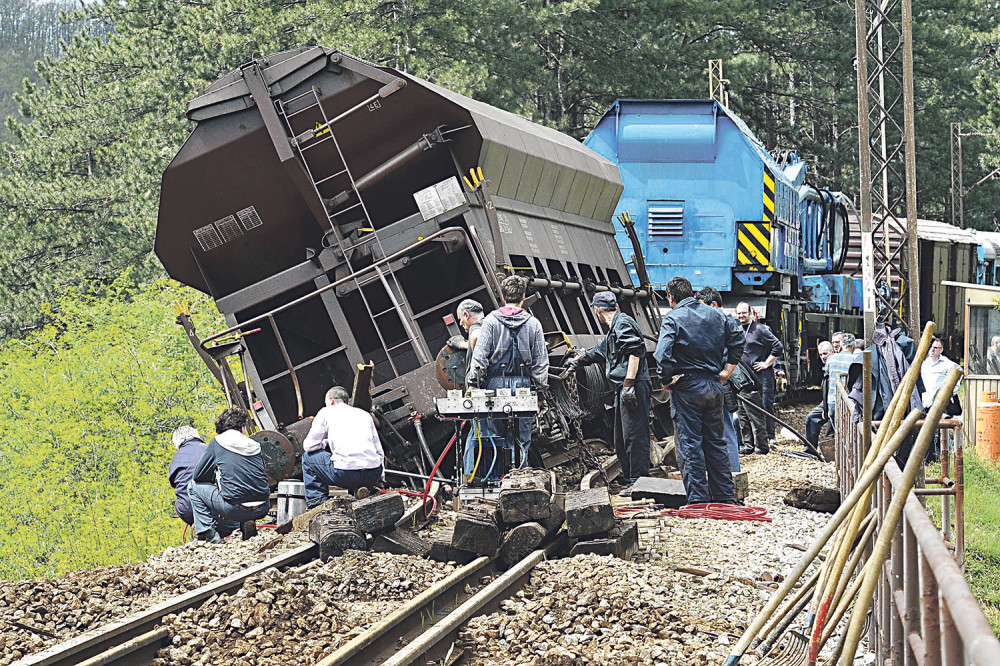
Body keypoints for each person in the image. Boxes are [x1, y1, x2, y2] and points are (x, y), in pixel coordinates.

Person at [654, 276, 744, 504]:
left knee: (690, 443)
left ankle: (698, 501)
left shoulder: (673, 318)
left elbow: (662, 354)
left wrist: (666, 381)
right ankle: (725, 497)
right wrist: (727, 371)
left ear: (671, 297)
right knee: (716, 441)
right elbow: (738, 339)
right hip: (714, 385)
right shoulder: (717, 315)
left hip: (687, 387)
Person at [564, 292, 651, 494]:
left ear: (598, 310)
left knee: (634, 436)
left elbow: (635, 351)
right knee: (621, 437)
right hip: (624, 387)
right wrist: (578, 359)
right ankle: (632, 480)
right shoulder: (616, 327)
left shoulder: (623, 324)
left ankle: (639, 483)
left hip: (632, 386)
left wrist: (629, 382)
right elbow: (602, 350)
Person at [467, 275, 548, 469]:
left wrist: (472, 383)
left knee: (494, 436)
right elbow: (540, 362)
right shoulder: (533, 324)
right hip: (523, 386)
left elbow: (480, 357)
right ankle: (519, 479)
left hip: (493, 386)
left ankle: (498, 479)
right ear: (523, 296)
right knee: (521, 438)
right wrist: (541, 390)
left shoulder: (490, 322)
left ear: (502, 297)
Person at [188, 408, 270, 543]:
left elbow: (198, 476)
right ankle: (247, 524)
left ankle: (208, 533)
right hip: (263, 507)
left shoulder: (218, 442)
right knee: (244, 487)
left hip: (234, 509)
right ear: (242, 428)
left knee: (193, 486)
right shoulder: (255, 444)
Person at [302, 386, 385, 507]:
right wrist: (381, 477)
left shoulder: (326, 412)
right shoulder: (364, 414)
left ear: (331, 401)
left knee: (307, 458)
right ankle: (360, 494)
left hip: (346, 474)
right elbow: (379, 450)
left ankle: (317, 504)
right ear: (346, 402)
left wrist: (324, 443)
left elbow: (309, 446)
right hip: (373, 474)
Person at [696, 286, 742, 473]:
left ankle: (733, 473)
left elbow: (736, 349)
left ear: (713, 304)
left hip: (719, 383)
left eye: (702, 307)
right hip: (716, 382)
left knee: (725, 430)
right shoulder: (726, 323)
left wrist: (726, 372)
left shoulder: (723, 323)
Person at [734, 302, 782, 455]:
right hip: (742, 378)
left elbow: (778, 346)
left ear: (750, 313)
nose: (741, 316)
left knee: (757, 411)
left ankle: (762, 445)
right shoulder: (737, 329)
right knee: (742, 413)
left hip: (759, 378)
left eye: (744, 313)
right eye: (739, 313)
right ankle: (748, 445)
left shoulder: (760, 329)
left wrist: (766, 364)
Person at [168, 426, 208, 526]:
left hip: (187, 510)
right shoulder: (209, 448)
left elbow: (174, 484)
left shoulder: (175, 459)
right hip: (214, 505)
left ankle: (197, 531)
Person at [804, 341, 835, 454]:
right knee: (811, 418)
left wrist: (827, 409)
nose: (823, 357)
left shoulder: (834, 364)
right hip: (826, 402)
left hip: (835, 402)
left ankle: (830, 451)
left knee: (832, 425)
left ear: (832, 353)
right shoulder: (826, 367)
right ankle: (810, 449)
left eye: (825, 354)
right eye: (821, 354)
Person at [826, 332, 860, 419]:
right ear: (854, 347)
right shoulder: (856, 360)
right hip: (849, 401)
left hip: (832, 400)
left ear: (841, 345)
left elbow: (827, 374)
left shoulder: (830, 359)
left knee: (836, 428)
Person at [920, 338, 960, 409]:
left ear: (941, 350)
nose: (932, 350)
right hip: (924, 404)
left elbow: (959, 372)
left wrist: (947, 394)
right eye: (931, 347)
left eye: (935, 348)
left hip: (940, 406)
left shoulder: (947, 364)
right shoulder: (923, 364)